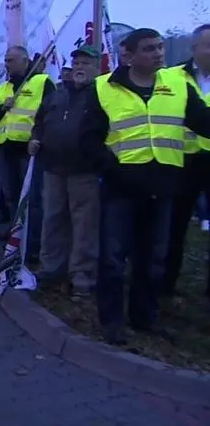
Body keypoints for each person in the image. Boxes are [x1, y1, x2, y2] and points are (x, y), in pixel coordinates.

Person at [79, 28, 210, 345]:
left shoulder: (178, 84)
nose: (158, 53)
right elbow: (88, 140)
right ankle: (111, 321)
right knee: (113, 258)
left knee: (152, 258)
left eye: (160, 48)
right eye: (149, 48)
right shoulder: (103, 88)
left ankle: (144, 317)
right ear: (128, 55)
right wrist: (113, 170)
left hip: (163, 188)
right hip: (120, 189)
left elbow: (204, 121)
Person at [31, 45, 103, 298]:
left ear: (97, 67)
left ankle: (82, 275)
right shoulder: (58, 93)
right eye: (77, 63)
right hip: (52, 167)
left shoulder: (102, 95)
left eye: (86, 63)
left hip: (84, 170)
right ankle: (51, 268)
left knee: (84, 224)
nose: (80, 68)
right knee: (53, 219)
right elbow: (39, 121)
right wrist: (35, 138)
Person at [163, 24, 210, 302]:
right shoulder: (172, 77)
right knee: (175, 225)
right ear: (194, 48)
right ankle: (165, 284)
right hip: (183, 161)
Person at [0, 45, 54, 244]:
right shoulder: (3, 88)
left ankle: (34, 240)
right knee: (11, 194)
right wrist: (3, 107)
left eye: (11, 60)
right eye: (6, 60)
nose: (7, 64)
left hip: (29, 148)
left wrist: (40, 138)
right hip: (6, 147)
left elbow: (50, 113)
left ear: (25, 61)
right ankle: (15, 232)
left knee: (31, 197)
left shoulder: (41, 82)